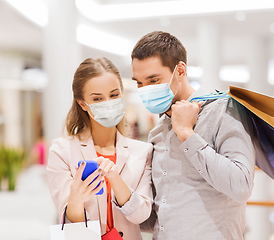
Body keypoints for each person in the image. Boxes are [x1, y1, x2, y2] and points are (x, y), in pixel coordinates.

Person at [131, 31, 255, 240]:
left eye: (153, 80)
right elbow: (156, 219)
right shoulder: (156, 133)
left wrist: (187, 134)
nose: (145, 90)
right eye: (139, 83)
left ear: (180, 70)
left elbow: (241, 186)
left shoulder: (224, 111)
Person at [47, 57, 153, 240]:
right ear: (82, 103)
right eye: (97, 98)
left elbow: (141, 215)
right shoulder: (62, 151)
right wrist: (76, 199)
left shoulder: (142, 152)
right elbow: (70, 226)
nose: (108, 102)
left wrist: (115, 178)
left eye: (114, 95)